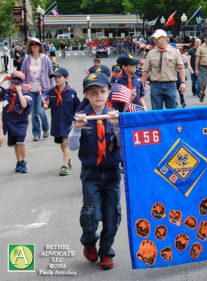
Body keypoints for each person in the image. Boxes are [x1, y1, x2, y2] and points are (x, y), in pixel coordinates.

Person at [68, 72, 121, 270]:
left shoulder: (114, 116)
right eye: (93, 92)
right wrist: (77, 128)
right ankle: (89, 241)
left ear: (108, 93)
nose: (98, 96)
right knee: (90, 214)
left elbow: (124, 147)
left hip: (112, 173)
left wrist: (117, 127)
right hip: (91, 173)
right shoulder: (82, 117)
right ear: (86, 95)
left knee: (112, 215)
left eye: (102, 91)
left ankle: (106, 251)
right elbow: (72, 146)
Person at [44, 67, 80, 176]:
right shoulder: (51, 92)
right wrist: (45, 105)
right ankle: (67, 158)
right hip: (57, 123)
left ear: (66, 78)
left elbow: (78, 107)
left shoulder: (72, 92)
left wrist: (77, 119)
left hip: (68, 123)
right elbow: (48, 103)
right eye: (55, 77)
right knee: (61, 143)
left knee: (65, 142)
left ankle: (64, 166)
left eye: (59, 77)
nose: (56, 79)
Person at [141, 29, 186, 110]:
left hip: (171, 84)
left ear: (165, 38)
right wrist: (142, 84)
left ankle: (172, 123)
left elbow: (181, 68)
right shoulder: (151, 53)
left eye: (158, 38)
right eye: (155, 38)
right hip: (155, 85)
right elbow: (145, 70)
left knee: (172, 110)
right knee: (156, 112)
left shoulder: (175, 52)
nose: (155, 40)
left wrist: (183, 82)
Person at [21, 37, 54, 141]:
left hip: (42, 89)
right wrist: (21, 87)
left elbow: (51, 74)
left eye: (36, 44)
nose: (34, 45)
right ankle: (36, 133)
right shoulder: (27, 59)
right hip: (30, 90)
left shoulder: (45, 59)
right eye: (32, 44)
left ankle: (46, 128)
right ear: (30, 47)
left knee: (40, 111)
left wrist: (53, 88)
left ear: (40, 46)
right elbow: (22, 74)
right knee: (33, 113)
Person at [0, 71, 32, 172]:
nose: (13, 85)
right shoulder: (6, 93)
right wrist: (3, 79)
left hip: (20, 122)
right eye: (12, 82)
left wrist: (19, 92)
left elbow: (24, 105)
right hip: (9, 123)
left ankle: (24, 161)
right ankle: (18, 161)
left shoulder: (26, 94)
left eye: (16, 83)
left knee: (21, 142)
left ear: (21, 84)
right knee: (15, 144)